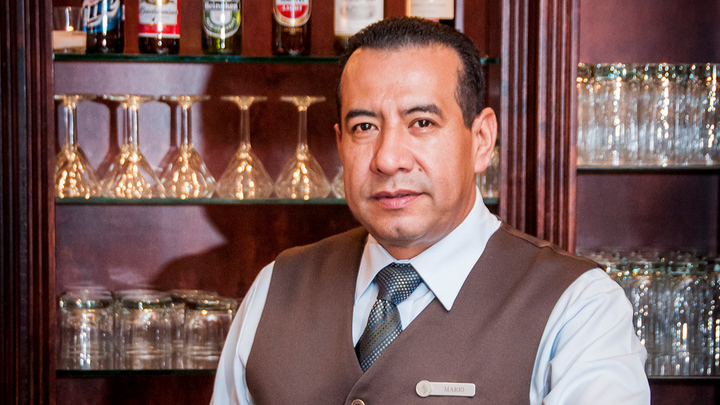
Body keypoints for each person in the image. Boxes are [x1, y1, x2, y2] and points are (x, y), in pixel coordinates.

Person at [211, 17, 650, 405]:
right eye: (365, 127)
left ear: (481, 140)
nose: (388, 159)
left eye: (422, 122)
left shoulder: (579, 308)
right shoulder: (274, 288)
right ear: (341, 144)